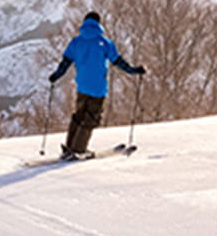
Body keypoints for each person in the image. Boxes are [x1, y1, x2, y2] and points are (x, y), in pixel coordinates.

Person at [48, 11, 145, 160]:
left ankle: (69, 147)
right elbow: (119, 62)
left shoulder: (76, 42)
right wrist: (134, 70)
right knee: (91, 118)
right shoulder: (104, 42)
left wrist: (56, 76)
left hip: (81, 86)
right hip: (98, 88)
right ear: (98, 24)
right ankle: (79, 150)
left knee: (78, 116)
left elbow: (65, 63)